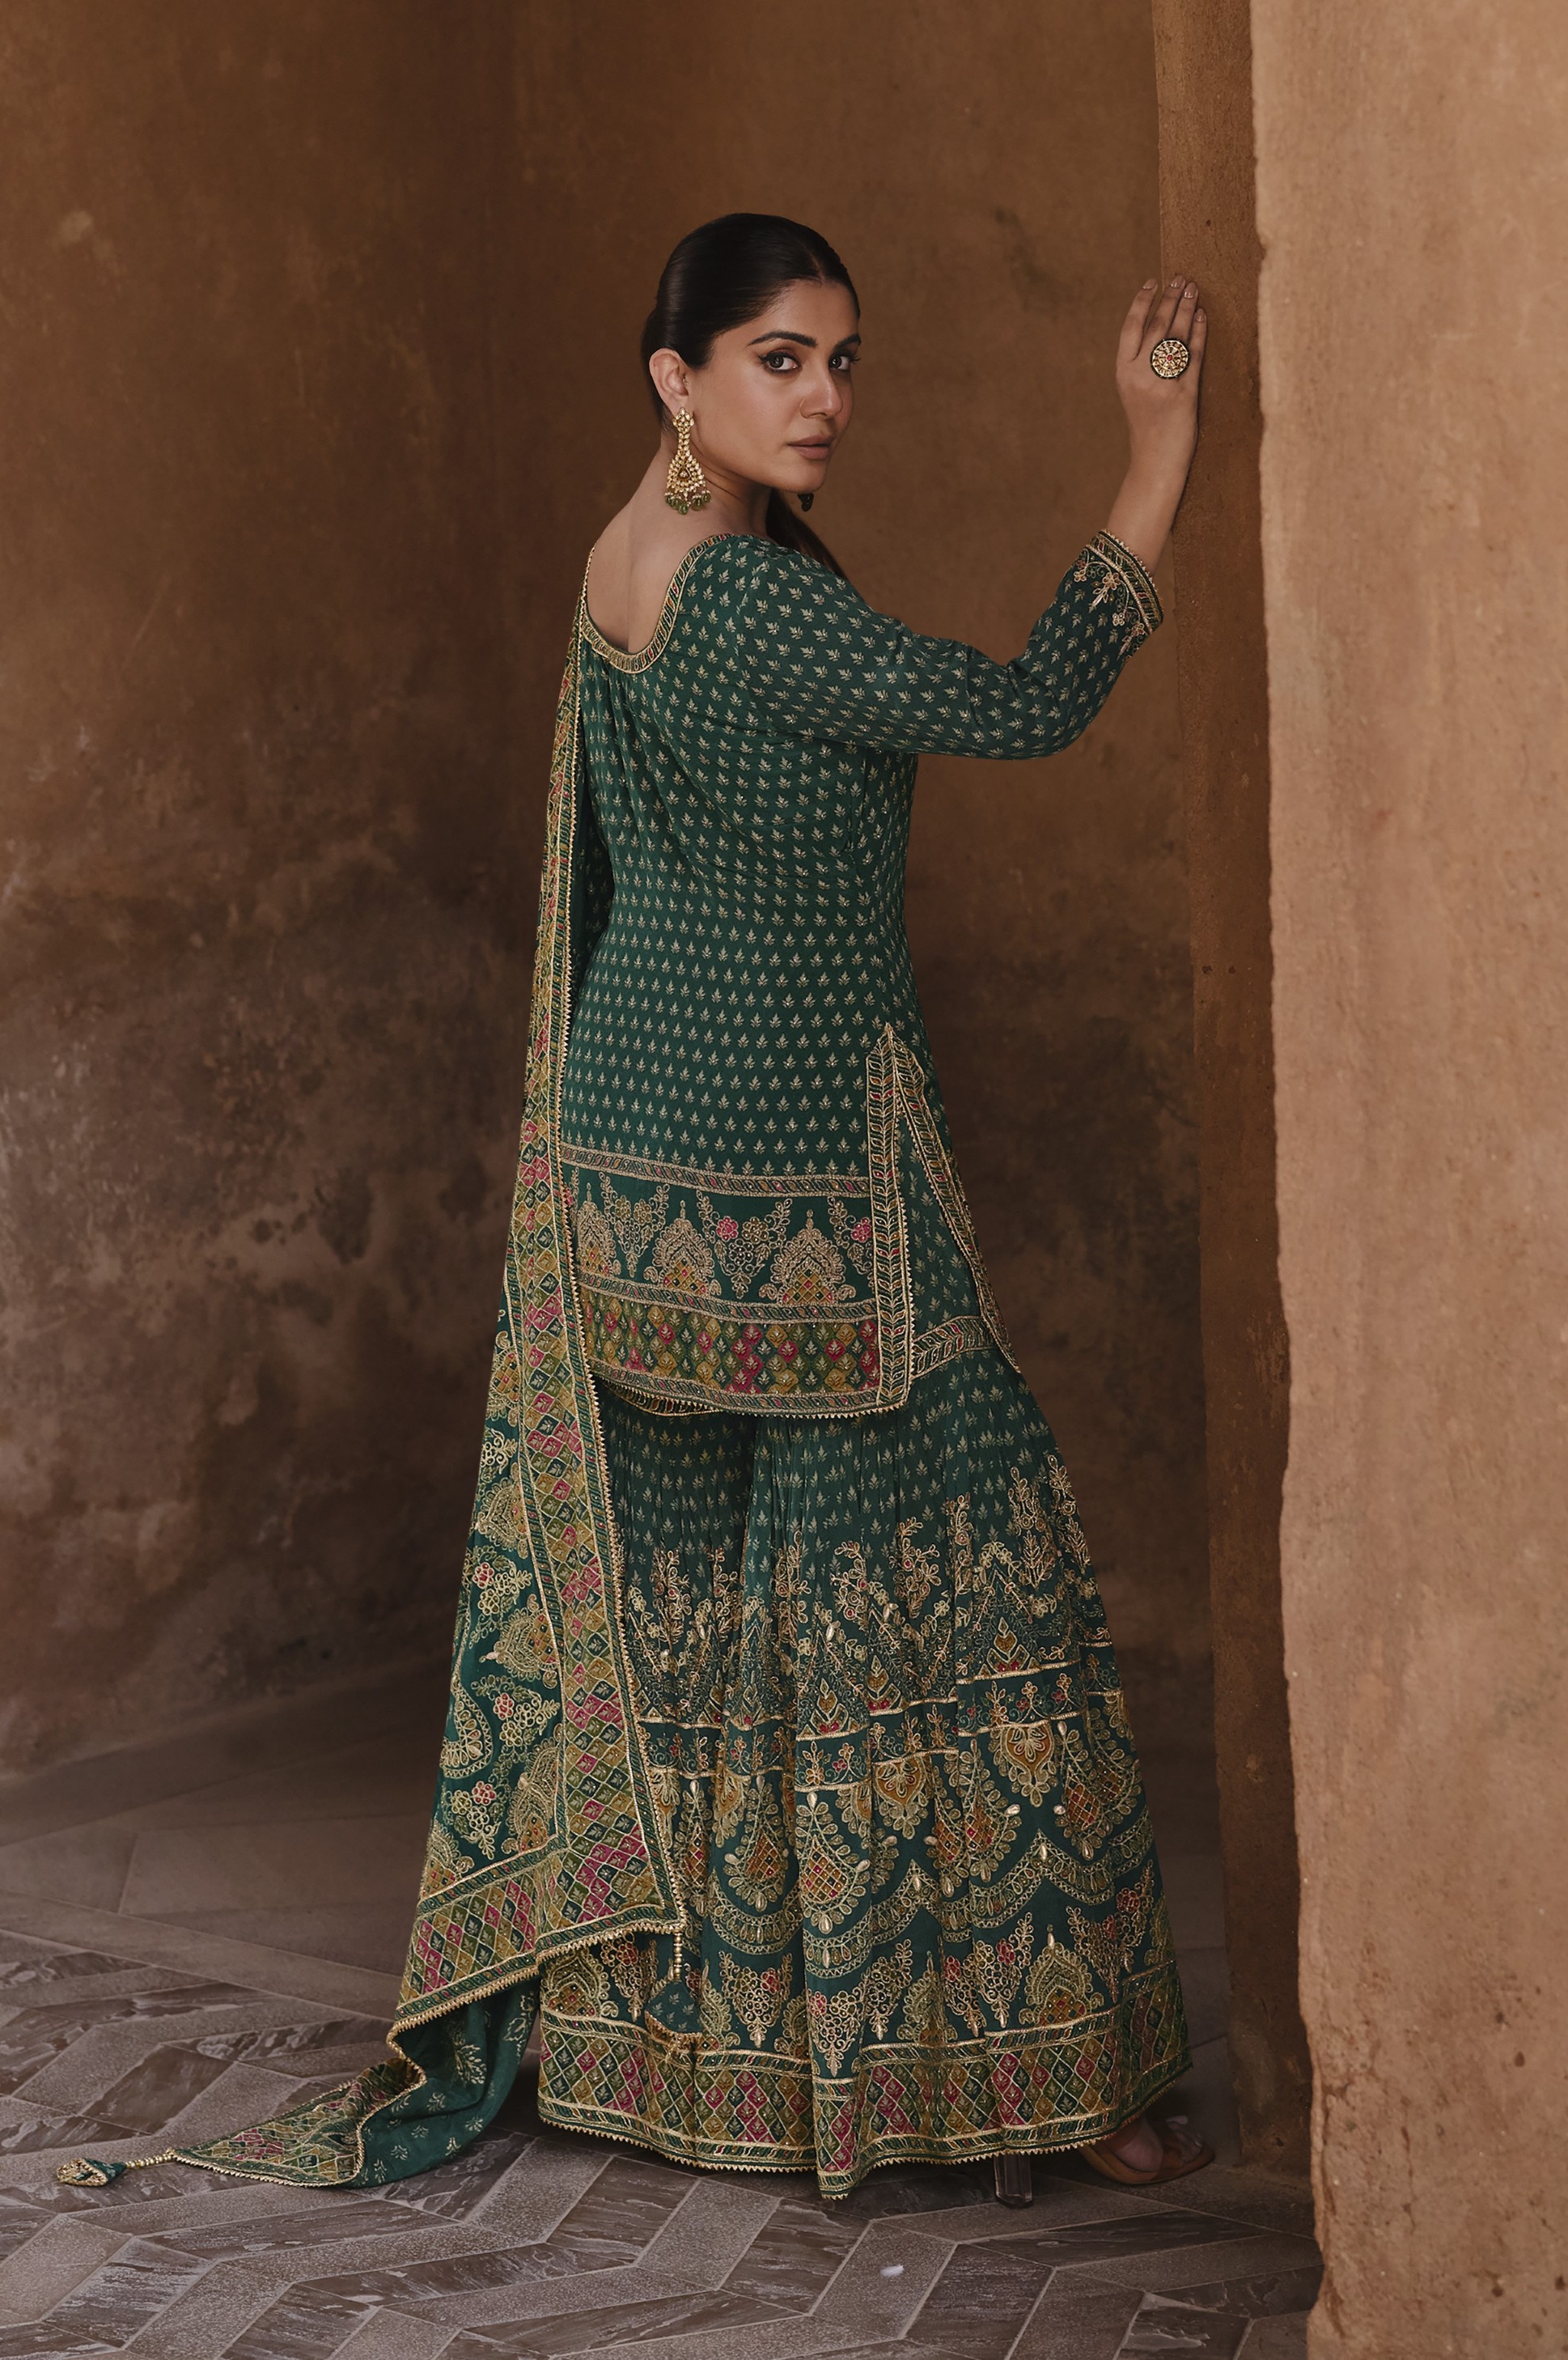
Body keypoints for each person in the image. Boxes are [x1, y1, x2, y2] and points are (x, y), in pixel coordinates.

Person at [61, 213, 1210, 2204]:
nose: (825, 397)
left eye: (843, 360)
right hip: (804, 1185)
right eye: (780, 358)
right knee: (946, 1572)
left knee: (695, 1609)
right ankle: (1023, 2083)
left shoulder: (623, 569)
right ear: (677, 376)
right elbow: (1026, 701)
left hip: (638, 1167)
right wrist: (1155, 455)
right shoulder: (747, 600)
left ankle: (679, 2070)